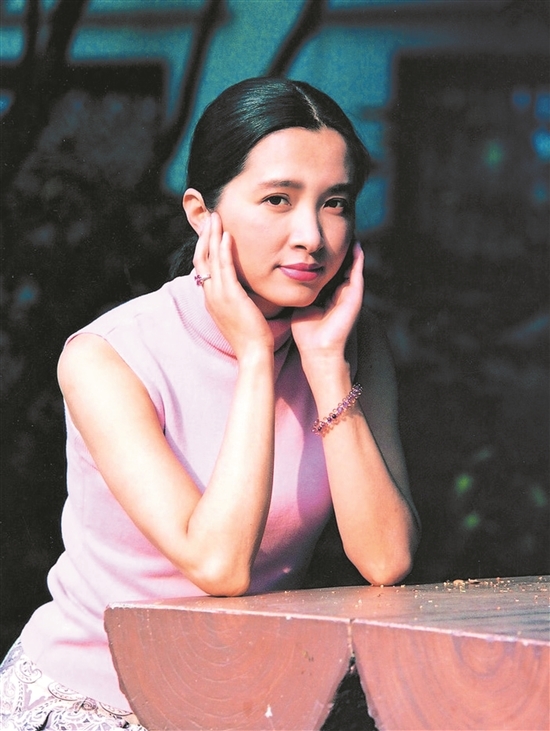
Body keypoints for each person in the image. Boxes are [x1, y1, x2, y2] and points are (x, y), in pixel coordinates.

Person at [0, 77, 420, 730]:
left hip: (245, 701)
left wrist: (325, 367)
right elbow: (218, 565)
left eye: (335, 203)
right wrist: (254, 359)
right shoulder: (109, 355)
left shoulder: (348, 343)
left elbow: (387, 558)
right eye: (278, 199)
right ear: (202, 213)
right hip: (94, 701)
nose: (311, 235)